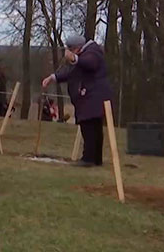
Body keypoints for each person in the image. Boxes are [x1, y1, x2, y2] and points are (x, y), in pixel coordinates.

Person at [42, 35, 113, 167]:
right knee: (94, 128)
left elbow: (89, 64)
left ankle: (88, 159)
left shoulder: (93, 52)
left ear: (77, 48)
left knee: (89, 127)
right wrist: (52, 77)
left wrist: (75, 59)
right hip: (92, 98)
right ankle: (96, 160)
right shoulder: (84, 56)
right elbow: (71, 73)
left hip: (93, 97)